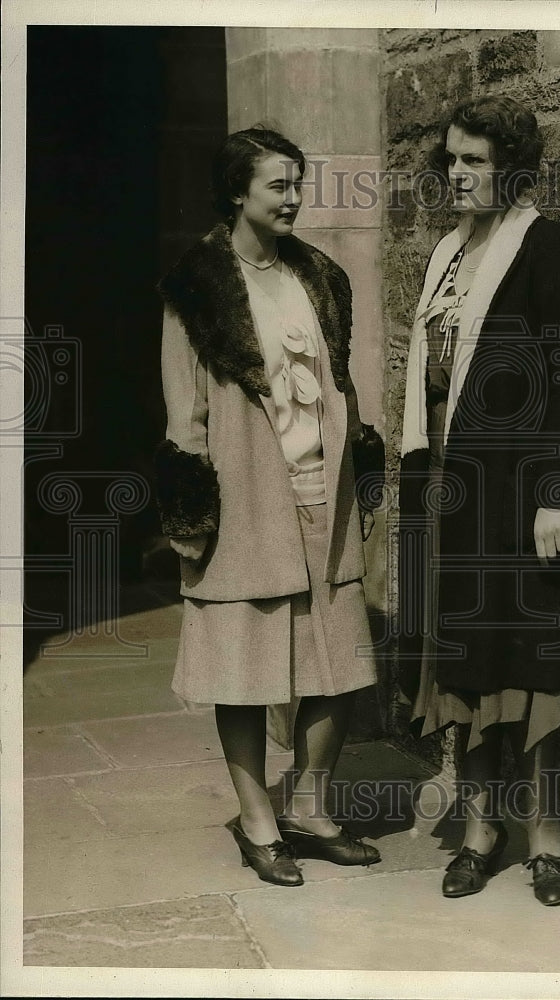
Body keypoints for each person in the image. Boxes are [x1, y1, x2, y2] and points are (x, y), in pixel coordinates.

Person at [155, 125, 382, 887]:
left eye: (297, 183)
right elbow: (183, 418)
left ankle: (311, 809)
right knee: (245, 668)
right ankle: (258, 824)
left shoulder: (318, 275)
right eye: (278, 185)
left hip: (326, 497)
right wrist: (192, 516)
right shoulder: (198, 287)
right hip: (248, 502)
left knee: (336, 663)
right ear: (237, 192)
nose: (293, 198)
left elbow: (339, 383)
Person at [400, 95, 560, 905]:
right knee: (464, 666)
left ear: (510, 168)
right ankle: (481, 832)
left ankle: (547, 842)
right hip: (454, 495)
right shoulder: (446, 254)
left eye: (474, 161)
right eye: (451, 159)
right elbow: (430, 378)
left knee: (530, 666)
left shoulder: (545, 247)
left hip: (523, 496)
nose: (458, 174)